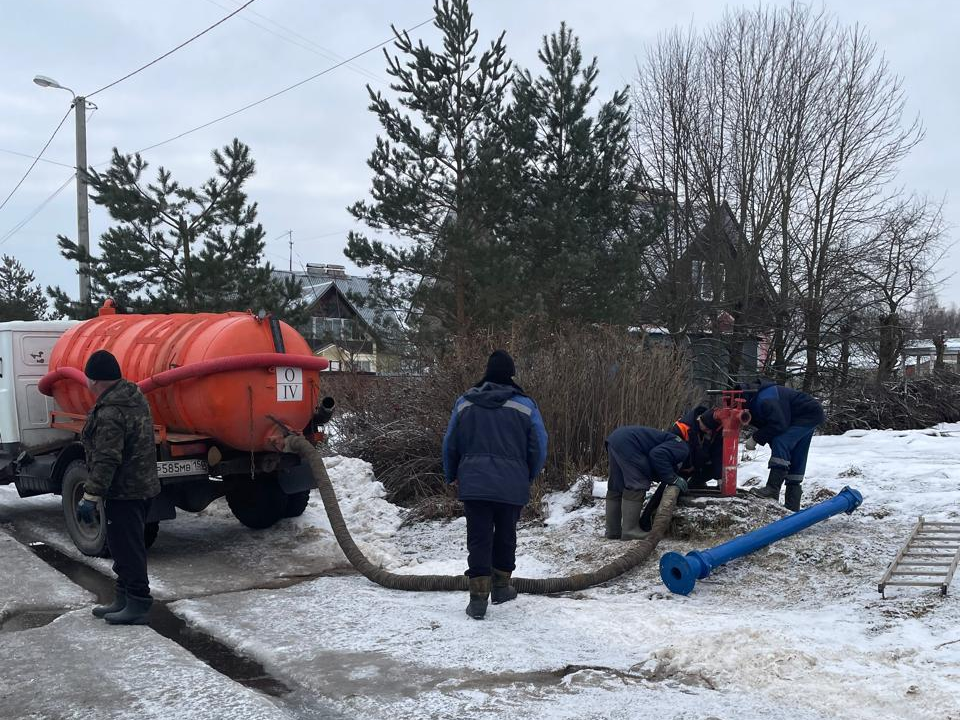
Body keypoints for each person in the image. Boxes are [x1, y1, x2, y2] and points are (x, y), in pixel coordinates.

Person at [442, 350, 548, 620]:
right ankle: (501, 587)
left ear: (486, 372)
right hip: (511, 481)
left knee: (478, 538)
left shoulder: (465, 402)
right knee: (506, 534)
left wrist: (451, 472)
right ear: (511, 373)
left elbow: (450, 442)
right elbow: (539, 445)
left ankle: (478, 600)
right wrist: (527, 473)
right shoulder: (525, 405)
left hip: (474, 481)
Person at [78, 349, 160, 625]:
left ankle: (138, 602)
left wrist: (90, 494)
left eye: (88, 378)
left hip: (125, 490)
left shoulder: (112, 411)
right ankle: (123, 597)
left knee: (127, 547)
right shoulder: (133, 397)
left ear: (96, 381)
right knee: (122, 544)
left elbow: (107, 457)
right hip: (140, 484)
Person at [604, 406, 720, 541]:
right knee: (637, 483)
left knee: (616, 486)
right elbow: (657, 455)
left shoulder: (671, 442)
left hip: (616, 438)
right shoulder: (682, 448)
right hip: (630, 443)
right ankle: (630, 530)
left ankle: (613, 531)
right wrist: (673, 478)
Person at [738, 378, 825, 512]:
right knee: (797, 454)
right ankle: (792, 506)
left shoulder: (764, 399)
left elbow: (779, 425)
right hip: (809, 414)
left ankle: (772, 489)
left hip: (807, 414)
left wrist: (755, 438)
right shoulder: (759, 396)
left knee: (781, 441)